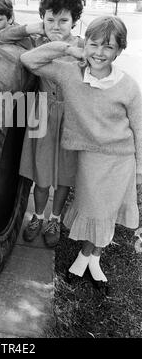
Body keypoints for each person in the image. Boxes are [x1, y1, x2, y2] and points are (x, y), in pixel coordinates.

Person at [20, 15, 142, 294]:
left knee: (107, 211)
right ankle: (86, 255)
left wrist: (139, 169)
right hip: (88, 157)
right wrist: (67, 48)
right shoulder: (69, 72)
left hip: (121, 158)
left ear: (120, 50)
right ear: (85, 43)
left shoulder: (128, 86)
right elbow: (29, 60)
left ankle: (91, 259)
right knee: (89, 208)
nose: (100, 53)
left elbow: (139, 128)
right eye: (94, 44)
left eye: (108, 47)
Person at [0, 0, 84, 247]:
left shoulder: (83, 47)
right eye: (50, 19)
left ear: (74, 21)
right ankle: (38, 216)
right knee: (42, 175)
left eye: (64, 20)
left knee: (65, 176)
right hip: (43, 118)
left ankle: (55, 218)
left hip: (71, 119)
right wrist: (32, 28)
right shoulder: (38, 44)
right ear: (43, 19)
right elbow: (2, 38)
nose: (56, 25)